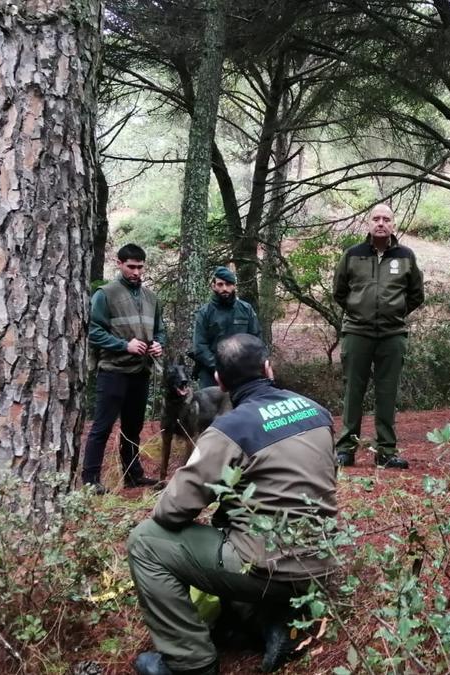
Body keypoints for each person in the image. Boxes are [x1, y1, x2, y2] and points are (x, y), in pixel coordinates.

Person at [128, 334, 337, 675]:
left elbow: (170, 511)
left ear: (220, 382)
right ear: (268, 369)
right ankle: (269, 624)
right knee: (232, 520)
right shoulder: (317, 411)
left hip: (271, 569)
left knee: (145, 542)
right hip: (322, 562)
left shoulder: (230, 430)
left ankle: (190, 662)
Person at [332, 203, 425, 469]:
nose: (381, 223)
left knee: (387, 393)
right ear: (368, 224)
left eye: (386, 219)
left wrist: (395, 313)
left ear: (393, 225)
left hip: (392, 334)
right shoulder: (353, 254)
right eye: (376, 219)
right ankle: (346, 450)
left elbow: (416, 294)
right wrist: (358, 311)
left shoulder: (406, 256)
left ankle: (385, 451)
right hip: (357, 333)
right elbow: (339, 291)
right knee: (353, 391)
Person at [82, 243, 166, 493]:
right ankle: (90, 480)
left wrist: (159, 344)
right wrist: (124, 345)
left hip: (140, 372)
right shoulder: (105, 294)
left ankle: (132, 475)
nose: (136, 272)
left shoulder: (152, 298)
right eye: (131, 267)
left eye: (140, 267)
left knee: (133, 427)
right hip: (113, 371)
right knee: (102, 427)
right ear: (119, 264)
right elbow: (93, 332)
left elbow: (160, 329)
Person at [191, 266, 262, 389]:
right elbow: (200, 347)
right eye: (220, 284)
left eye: (229, 284)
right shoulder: (205, 312)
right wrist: (219, 366)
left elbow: (256, 340)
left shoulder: (246, 310)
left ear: (234, 286)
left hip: (242, 372)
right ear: (213, 286)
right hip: (212, 374)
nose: (225, 288)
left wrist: (248, 365)